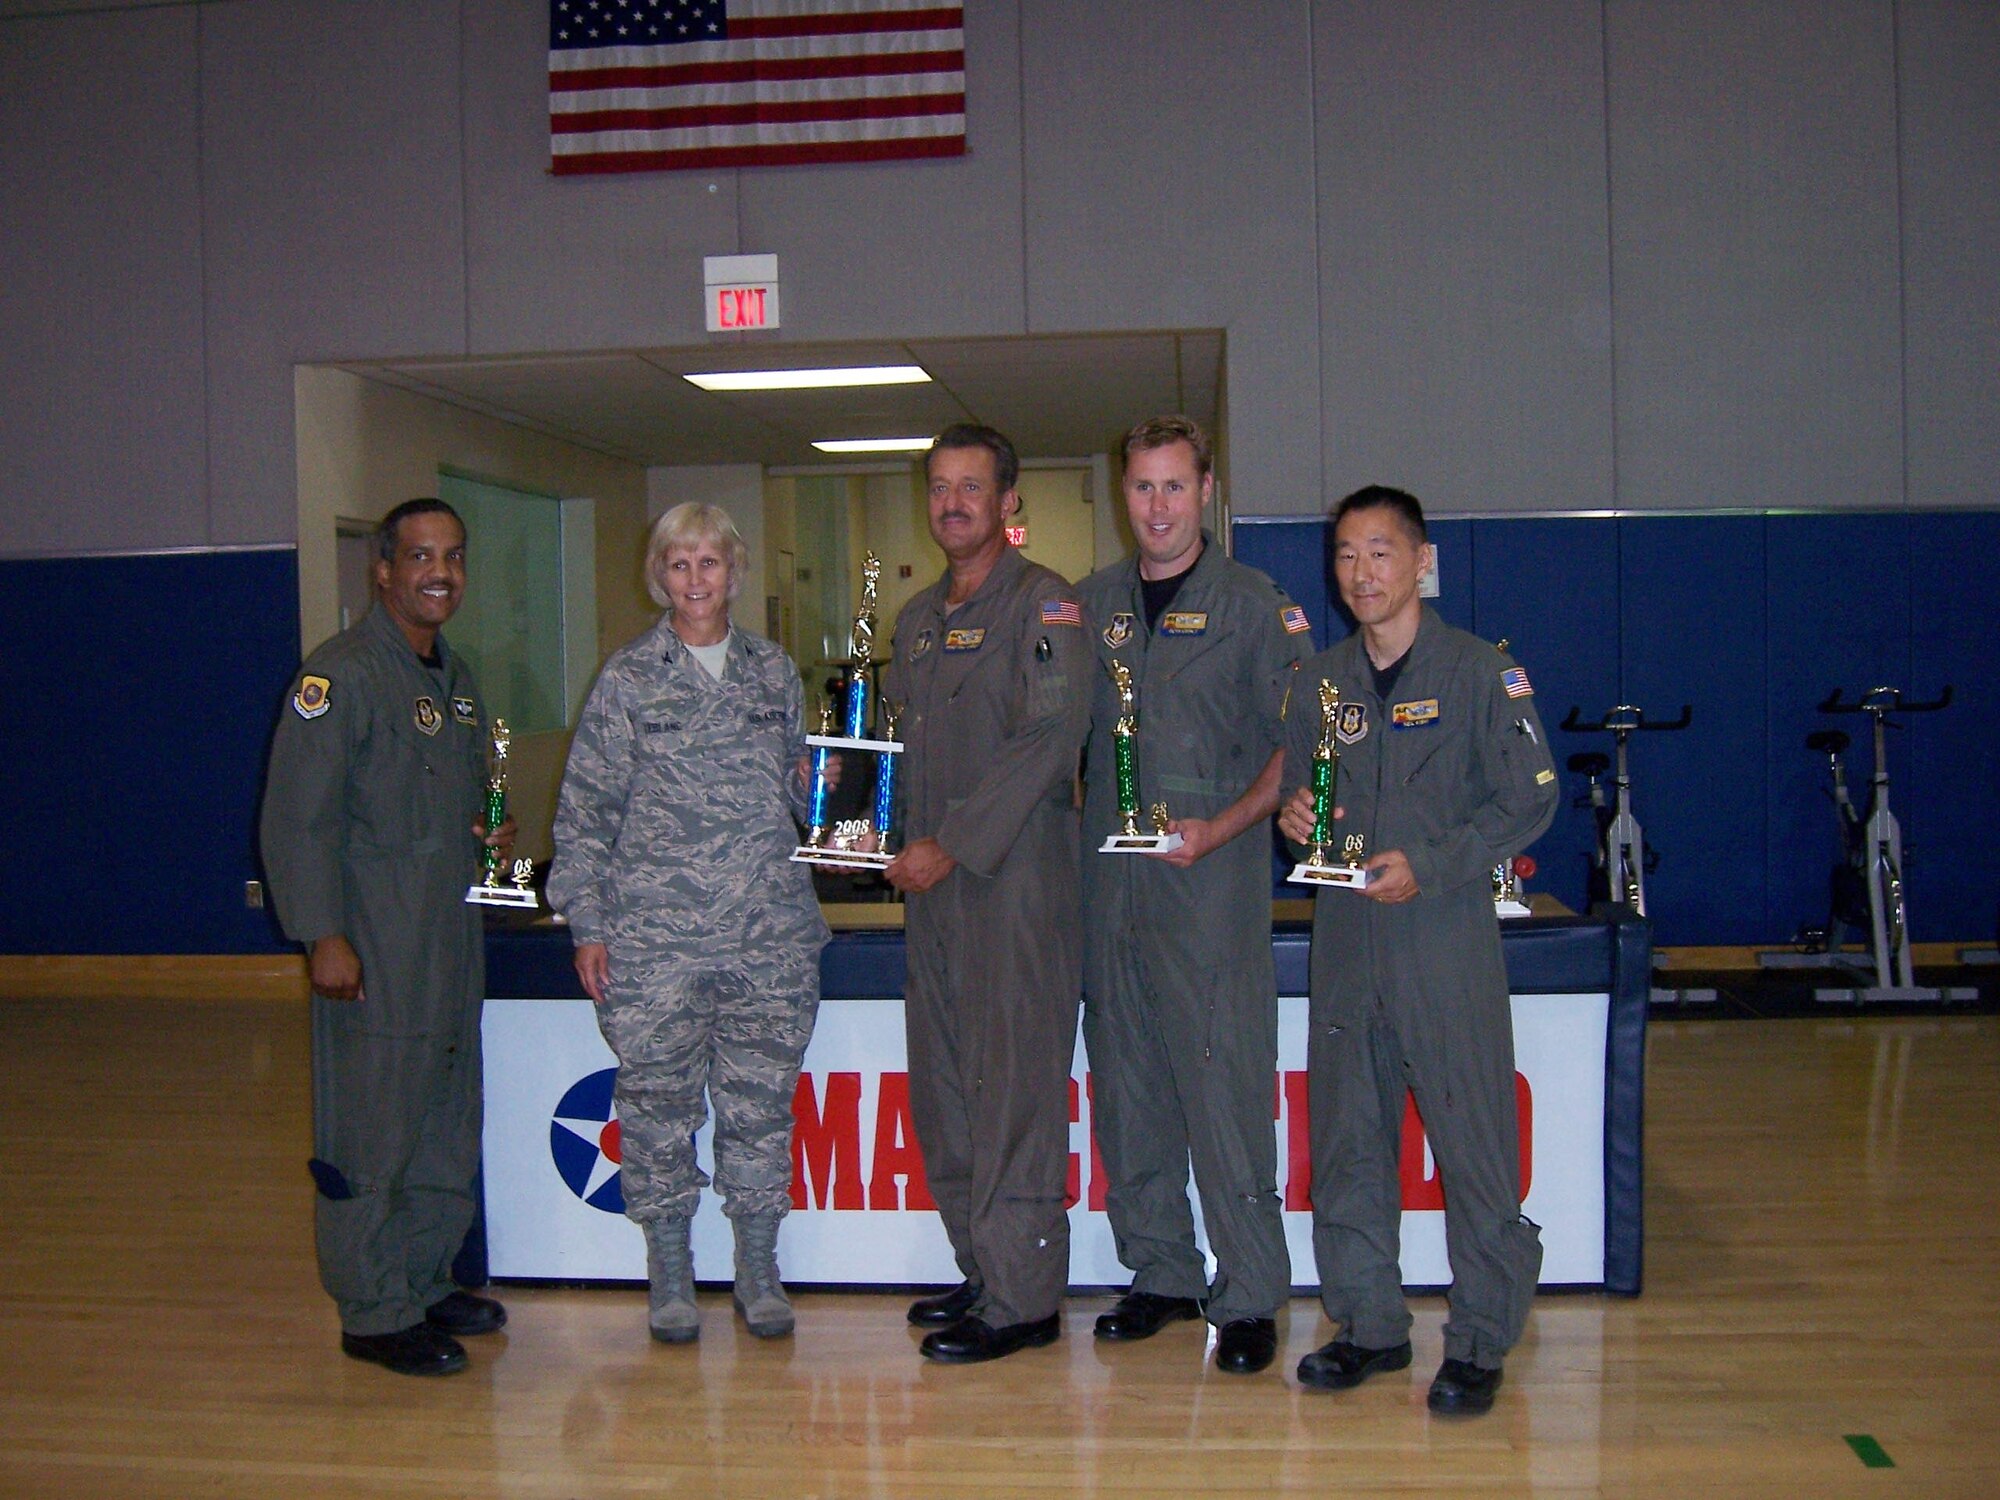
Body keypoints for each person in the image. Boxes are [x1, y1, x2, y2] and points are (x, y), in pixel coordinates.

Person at [1278, 485, 1557, 1415]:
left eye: (1381, 553)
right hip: (1347, 947)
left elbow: (1529, 799)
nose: (1362, 572)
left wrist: (1432, 864)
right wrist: (1294, 822)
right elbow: (1308, 809)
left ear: (1422, 562)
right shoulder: (1320, 684)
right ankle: (1369, 1325)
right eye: (1348, 555)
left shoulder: (1483, 673)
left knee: (1473, 1146)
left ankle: (1478, 1339)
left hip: (1443, 943)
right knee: (1351, 1144)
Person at [546, 503, 829, 1344]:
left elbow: (800, 793)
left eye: (711, 563)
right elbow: (586, 811)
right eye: (680, 565)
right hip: (656, 944)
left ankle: (755, 1269)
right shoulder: (629, 680)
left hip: (766, 939)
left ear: (735, 573)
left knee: (760, 1109)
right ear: (659, 575)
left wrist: (832, 791)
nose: (696, 580)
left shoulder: (773, 673)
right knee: (657, 1109)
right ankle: (670, 1272)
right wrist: (587, 924)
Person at [1074, 416, 1311, 1376]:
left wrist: (1221, 828)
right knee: (1128, 1085)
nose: (1159, 507)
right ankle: (1163, 1272)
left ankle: (1250, 1291)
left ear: (1206, 490)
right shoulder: (1089, 608)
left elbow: (1299, 745)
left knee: (1222, 1086)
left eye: (1175, 487)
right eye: (1141, 488)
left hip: (1208, 889)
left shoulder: (1256, 607)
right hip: (1111, 889)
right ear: (1122, 492)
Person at [260, 498, 514, 1378]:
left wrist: (494, 827)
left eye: (452, 555)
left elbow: (473, 790)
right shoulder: (340, 677)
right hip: (374, 947)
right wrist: (321, 935)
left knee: (444, 1116)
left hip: (451, 937)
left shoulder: (456, 675)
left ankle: (423, 1277)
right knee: (372, 1125)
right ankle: (372, 1310)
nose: (437, 572)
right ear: (383, 570)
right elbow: (297, 821)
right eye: (418, 556)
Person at [881, 423, 1092, 1364]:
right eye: (938, 488)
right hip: (932, 898)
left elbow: (1049, 743)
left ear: (1009, 502)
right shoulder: (916, 622)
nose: (952, 503)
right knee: (947, 1092)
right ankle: (982, 1270)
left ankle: (1024, 1299)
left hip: (1009, 890)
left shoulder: (1045, 607)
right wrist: (873, 835)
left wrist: (952, 847)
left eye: (972, 487)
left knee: (1013, 1095)